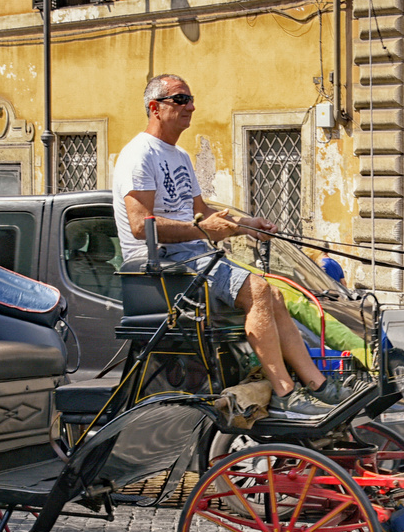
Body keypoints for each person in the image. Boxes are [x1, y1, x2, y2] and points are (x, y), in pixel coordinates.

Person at [112, 73, 341, 418]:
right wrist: (203, 231)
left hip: (192, 257)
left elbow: (202, 213)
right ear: (155, 108)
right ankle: (284, 391)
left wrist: (246, 226)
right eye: (180, 99)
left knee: (273, 295)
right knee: (259, 290)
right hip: (163, 267)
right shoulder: (138, 155)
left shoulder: (180, 157)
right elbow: (140, 225)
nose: (191, 106)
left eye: (190, 99)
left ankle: (319, 386)